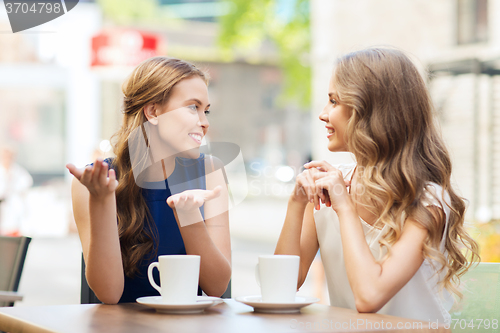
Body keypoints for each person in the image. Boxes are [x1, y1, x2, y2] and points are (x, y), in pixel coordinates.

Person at [275, 47, 480, 323]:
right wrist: (296, 204)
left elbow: (369, 296)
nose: (323, 114)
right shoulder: (330, 188)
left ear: (370, 112)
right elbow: (280, 287)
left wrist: (345, 207)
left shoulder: (429, 201)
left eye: (334, 102)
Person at [67, 57, 231, 304]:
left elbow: (217, 286)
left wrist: (189, 215)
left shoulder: (209, 171)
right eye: (192, 107)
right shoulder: (92, 184)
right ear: (153, 111)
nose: (204, 122)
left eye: (205, 110)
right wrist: (101, 201)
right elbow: (108, 294)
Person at [0, 146, 33, 236]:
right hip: (2, 205)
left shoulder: (18, 171)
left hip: (14, 205)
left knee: (13, 229)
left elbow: (26, 183)